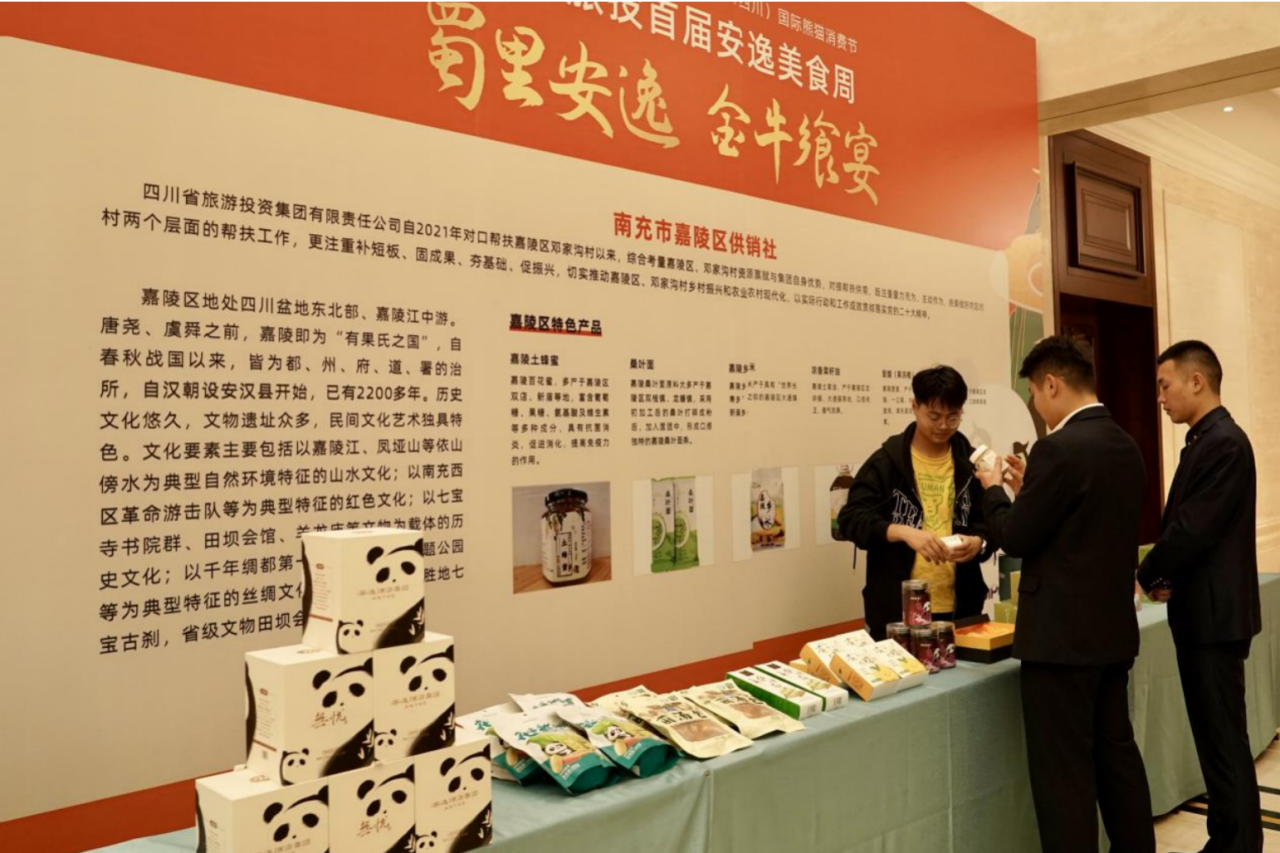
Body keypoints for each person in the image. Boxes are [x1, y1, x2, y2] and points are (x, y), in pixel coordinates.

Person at [977, 336, 1155, 853]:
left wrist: (993, 489)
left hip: (1060, 642)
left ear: (1052, 384)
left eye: (1034, 392)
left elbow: (1016, 537)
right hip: (1111, 633)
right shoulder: (1124, 443)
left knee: (1063, 774)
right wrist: (1030, 489)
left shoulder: (1058, 448)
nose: (1036, 405)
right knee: (1116, 756)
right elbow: (1080, 523)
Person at [1138, 340, 1261, 853]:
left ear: (1197, 381)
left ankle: (1237, 844)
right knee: (1216, 742)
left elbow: (1193, 530)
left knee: (1224, 741)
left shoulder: (1224, 442)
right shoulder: (1204, 440)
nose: (1160, 397)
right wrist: (1166, 576)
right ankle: (1228, 838)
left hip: (1214, 620)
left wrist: (1147, 572)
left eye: (1164, 385)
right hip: (1202, 613)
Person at [838, 365, 994, 639]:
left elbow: (991, 523)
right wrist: (903, 532)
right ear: (914, 407)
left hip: (961, 610)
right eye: (934, 416)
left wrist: (979, 542)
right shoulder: (886, 463)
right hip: (897, 612)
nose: (943, 426)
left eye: (953, 417)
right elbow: (851, 520)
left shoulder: (971, 464)